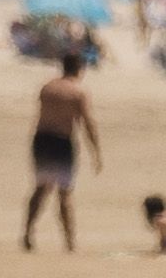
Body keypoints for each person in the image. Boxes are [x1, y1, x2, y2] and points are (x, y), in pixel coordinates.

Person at [21, 53, 104, 253]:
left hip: (41, 139)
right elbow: (88, 123)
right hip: (61, 142)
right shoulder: (78, 92)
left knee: (40, 188)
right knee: (64, 193)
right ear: (79, 68)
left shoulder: (47, 87)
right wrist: (96, 152)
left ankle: (28, 232)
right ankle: (69, 242)